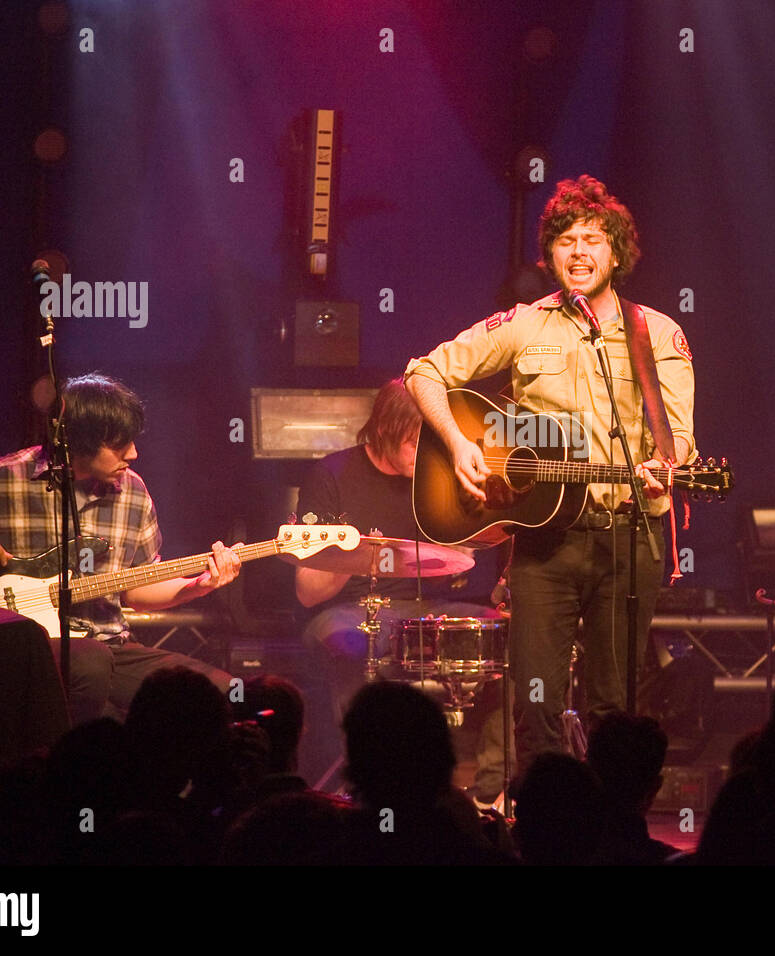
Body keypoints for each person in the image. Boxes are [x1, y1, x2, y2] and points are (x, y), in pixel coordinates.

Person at [404, 175, 697, 778]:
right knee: (534, 700)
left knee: (614, 704)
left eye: (593, 239)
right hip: (544, 540)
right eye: (566, 240)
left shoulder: (659, 333)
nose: (579, 252)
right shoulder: (522, 323)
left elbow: (681, 438)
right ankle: (543, 827)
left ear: (617, 252)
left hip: (627, 534)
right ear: (550, 255)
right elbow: (423, 372)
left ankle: (612, 825)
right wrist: (460, 444)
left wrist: (664, 473)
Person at [0, 372, 240, 723]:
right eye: (119, 445)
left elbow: (136, 589)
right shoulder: (0, 477)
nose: (134, 454)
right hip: (27, 649)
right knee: (90, 668)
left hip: (110, 647)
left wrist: (198, 586)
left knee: (223, 693)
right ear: (77, 439)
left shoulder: (133, 492)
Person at [294, 378, 504, 799]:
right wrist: (345, 555)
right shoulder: (331, 475)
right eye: (413, 443)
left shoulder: (440, 471)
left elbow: (494, 533)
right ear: (383, 431)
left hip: (435, 604)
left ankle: (493, 791)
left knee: (513, 638)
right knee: (349, 641)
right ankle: (363, 789)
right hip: (357, 608)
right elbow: (307, 592)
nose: (423, 455)